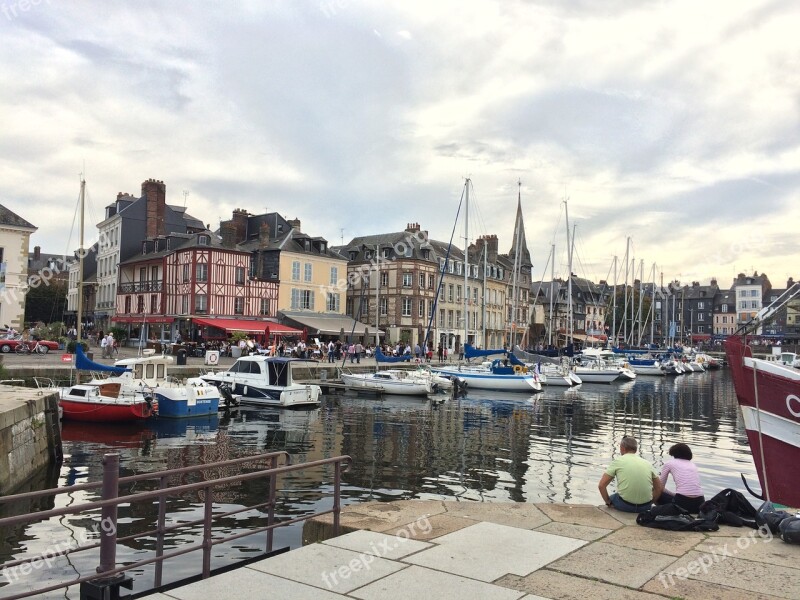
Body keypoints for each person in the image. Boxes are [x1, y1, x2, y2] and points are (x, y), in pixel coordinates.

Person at [598, 435, 663, 513]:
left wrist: (608, 502)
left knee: (612, 497)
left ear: (622, 448)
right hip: (645, 507)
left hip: (625, 506)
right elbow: (659, 488)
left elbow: (601, 485)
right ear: (635, 449)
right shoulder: (647, 463)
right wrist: (650, 502)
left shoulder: (618, 461)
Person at [656, 443, 705, 513]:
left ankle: (660, 514)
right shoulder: (693, 465)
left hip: (682, 503)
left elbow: (660, 487)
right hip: (700, 503)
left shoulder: (669, 463)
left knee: (655, 490)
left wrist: (674, 494)